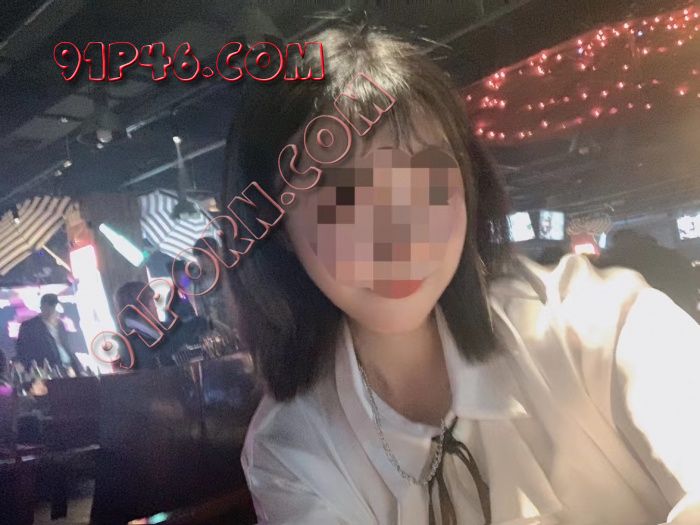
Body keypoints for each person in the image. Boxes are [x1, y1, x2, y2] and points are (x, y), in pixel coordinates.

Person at [229, 20, 700, 525]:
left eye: (426, 180)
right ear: (278, 229)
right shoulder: (293, 450)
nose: (397, 237)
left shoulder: (591, 320)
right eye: (345, 195)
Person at [15, 293, 84, 373]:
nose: (52, 311)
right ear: (42, 307)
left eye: (53, 307)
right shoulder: (29, 326)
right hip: (47, 370)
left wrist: (79, 369)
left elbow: (67, 347)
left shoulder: (60, 325)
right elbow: (22, 350)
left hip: (67, 368)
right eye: (49, 307)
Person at [114, 282, 175, 370]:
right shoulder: (131, 345)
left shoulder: (153, 332)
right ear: (141, 305)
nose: (156, 306)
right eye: (152, 300)